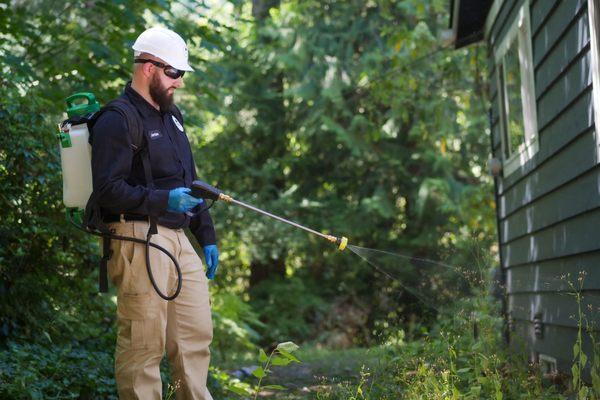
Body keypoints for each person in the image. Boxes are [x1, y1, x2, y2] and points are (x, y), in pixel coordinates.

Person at [91, 26, 218, 399]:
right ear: (149, 67)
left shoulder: (171, 116)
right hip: (138, 237)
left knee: (194, 337)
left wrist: (206, 235)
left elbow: (189, 180)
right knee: (144, 345)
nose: (178, 83)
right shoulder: (117, 119)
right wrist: (163, 201)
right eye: (174, 73)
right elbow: (107, 190)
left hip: (178, 239)